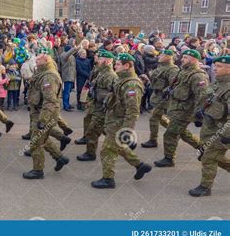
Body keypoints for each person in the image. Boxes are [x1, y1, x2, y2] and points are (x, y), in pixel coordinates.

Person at [92, 53, 152, 189]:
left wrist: (127, 131)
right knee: (117, 146)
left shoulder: (132, 85)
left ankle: (108, 179)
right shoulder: (121, 80)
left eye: (118, 64)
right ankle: (140, 165)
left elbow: (133, 111)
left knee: (107, 150)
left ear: (127, 66)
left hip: (119, 123)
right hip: (113, 120)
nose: (115, 66)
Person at [154, 49, 208, 167]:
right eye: (183, 57)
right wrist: (167, 91)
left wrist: (200, 114)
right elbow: (176, 86)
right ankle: (202, 147)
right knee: (181, 132)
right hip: (176, 108)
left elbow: (203, 95)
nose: (182, 59)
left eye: (186, 57)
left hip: (186, 110)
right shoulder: (183, 72)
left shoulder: (197, 75)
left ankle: (169, 159)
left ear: (194, 60)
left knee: (170, 134)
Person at [23, 52, 70, 180]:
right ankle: (60, 158)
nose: (35, 62)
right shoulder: (41, 73)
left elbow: (50, 100)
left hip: (44, 114)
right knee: (42, 138)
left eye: (38, 60)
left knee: (36, 142)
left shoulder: (49, 76)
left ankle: (38, 170)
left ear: (45, 61)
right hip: (38, 112)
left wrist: (43, 120)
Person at [189, 55, 230, 197]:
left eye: (219, 66)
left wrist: (226, 135)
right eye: (215, 65)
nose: (214, 69)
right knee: (212, 156)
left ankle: (205, 187)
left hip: (221, 132)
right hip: (209, 129)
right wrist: (198, 115)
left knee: (208, 158)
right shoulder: (216, 84)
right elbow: (206, 100)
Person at [77, 50, 117, 162]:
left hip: (102, 109)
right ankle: (124, 144)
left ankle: (90, 154)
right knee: (100, 130)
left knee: (93, 131)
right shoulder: (101, 72)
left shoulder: (110, 76)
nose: (98, 60)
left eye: (101, 59)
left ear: (108, 61)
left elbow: (113, 95)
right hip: (96, 106)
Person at [60, 45, 76, 111]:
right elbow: (68, 54)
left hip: (71, 75)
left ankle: (68, 104)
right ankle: (65, 105)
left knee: (68, 91)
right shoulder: (64, 55)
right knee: (66, 91)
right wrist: (75, 49)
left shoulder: (72, 56)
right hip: (67, 75)